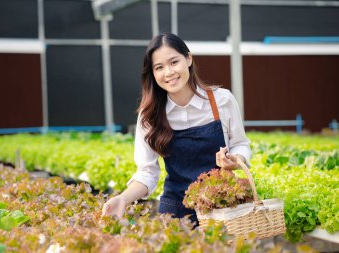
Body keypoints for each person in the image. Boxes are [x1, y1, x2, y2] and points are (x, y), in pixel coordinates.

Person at [102, 32, 251, 224]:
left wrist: (236, 159)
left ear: (188, 58)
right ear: (153, 74)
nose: (169, 72)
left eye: (174, 62)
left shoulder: (222, 100)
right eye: (159, 67)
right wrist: (122, 199)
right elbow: (147, 172)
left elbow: (240, 144)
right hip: (175, 212)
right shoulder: (149, 116)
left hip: (223, 209)